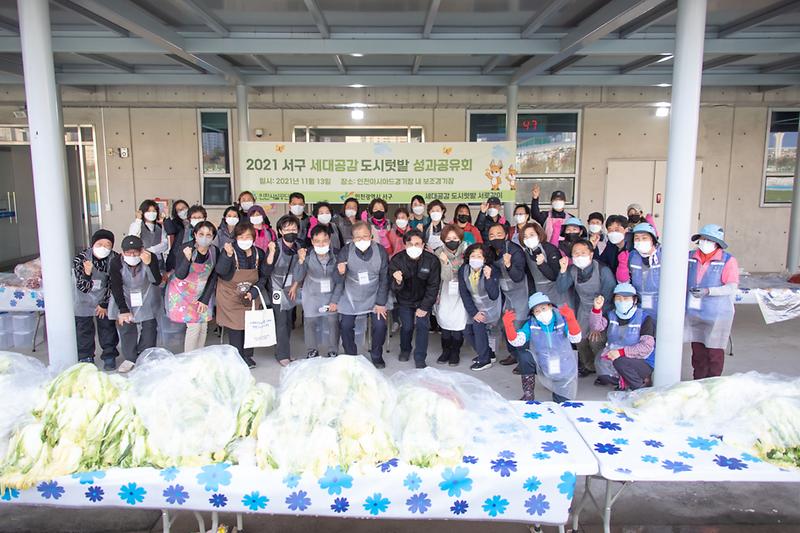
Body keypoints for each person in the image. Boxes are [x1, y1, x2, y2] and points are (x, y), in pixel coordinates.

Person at [504, 293, 581, 402]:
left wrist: (571, 320)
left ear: (550, 306)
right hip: (543, 363)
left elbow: (576, 339)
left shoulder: (562, 319)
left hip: (563, 366)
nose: (541, 313)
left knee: (562, 403)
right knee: (525, 357)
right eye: (537, 311)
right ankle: (528, 394)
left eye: (543, 308)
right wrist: (508, 326)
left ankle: (558, 386)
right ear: (533, 313)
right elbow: (517, 341)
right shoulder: (531, 324)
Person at [685, 224, 739, 379]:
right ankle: (698, 381)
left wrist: (709, 291)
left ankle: (713, 382)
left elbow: (731, 287)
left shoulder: (727, 260)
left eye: (708, 240)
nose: (704, 242)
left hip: (717, 314)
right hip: (695, 312)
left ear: (717, 243)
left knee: (714, 353)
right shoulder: (690, 257)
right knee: (698, 352)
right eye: (702, 239)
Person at [556, 239, 615, 377]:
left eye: (583, 252)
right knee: (579, 338)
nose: (579, 256)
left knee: (596, 340)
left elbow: (609, 296)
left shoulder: (603, 270)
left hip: (602, 311)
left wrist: (598, 322)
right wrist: (563, 271)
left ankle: (603, 370)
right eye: (576, 253)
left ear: (591, 254)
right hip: (583, 310)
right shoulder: (573, 270)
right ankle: (589, 365)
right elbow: (561, 288)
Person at [335, 221, 390, 368]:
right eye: (358, 237)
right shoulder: (345, 251)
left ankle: (376, 354)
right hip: (351, 295)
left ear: (371, 236)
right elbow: (338, 279)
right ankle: (351, 355)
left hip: (375, 294)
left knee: (380, 325)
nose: (362, 240)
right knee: (345, 325)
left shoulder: (381, 251)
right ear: (352, 239)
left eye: (365, 236)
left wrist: (380, 302)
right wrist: (340, 272)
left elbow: (385, 278)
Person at [215, 222, 269, 368]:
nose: (245, 240)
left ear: (253, 238)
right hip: (230, 295)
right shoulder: (229, 250)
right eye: (241, 237)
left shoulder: (259, 253)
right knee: (236, 327)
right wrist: (227, 256)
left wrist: (254, 291)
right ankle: (237, 357)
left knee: (250, 325)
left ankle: (247, 355)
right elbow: (220, 271)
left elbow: (263, 275)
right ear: (236, 237)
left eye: (248, 236)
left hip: (250, 294)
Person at [389, 229, 441, 368]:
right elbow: (393, 288)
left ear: (423, 244)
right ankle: (405, 349)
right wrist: (398, 281)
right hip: (405, 300)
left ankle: (420, 356)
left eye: (417, 244)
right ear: (405, 245)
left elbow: (433, 286)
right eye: (410, 244)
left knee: (423, 326)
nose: (414, 247)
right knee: (407, 326)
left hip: (423, 299)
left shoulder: (432, 260)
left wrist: (424, 307)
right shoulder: (397, 260)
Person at [107, 235, 161, 366]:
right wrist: (123, 309)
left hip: (146, 295)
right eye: (128, 252)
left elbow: (156, 281)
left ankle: (145, 356)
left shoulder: (151, 257)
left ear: (142, 250)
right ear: (122, 252)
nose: (132, 255)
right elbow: (116, 286)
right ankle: (130, 358)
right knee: (126, 326)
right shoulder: (116, 262)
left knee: (149, 326)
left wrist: (149, 264)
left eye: (135, 252)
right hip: (124, 295)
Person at [590, 283, 655, 391]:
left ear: (634, 300)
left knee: (620, 362)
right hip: (616, 354)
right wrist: (597, 309)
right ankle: (623, 380)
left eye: (626, 298)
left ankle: (639, 386)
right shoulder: (611, 315)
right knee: (601, 364)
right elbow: (596, 327)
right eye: (618, 298)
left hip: (641, 359)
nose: (622, 301)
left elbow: (646, 347)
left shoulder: (644, 318)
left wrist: (621, 352)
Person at [166, 220, 218, 353]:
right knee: (194, 327)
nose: (204, 238)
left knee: (203, 325)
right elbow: (180, 274)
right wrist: (187, 259)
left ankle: (198, 356)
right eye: (201, 234)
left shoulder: (214, 251)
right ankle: (189, 359)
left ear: (213, 237)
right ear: (195, 235)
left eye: (208, 235)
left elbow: (213, 276)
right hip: (183, 292)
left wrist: (204, 299)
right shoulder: (186, 248)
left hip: (202, 291)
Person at [73, 229, 119, 370]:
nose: (103, 247)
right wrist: (87, 274)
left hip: (104, 298)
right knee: (84, 329)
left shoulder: (115, 259)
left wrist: (104, 304)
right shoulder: (80, 259)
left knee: (107, 327)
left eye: (107, 245)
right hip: (84, 300)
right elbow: (82, 287)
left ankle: (109, 355)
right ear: (93, 244)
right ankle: (85, 356)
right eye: (99, 244)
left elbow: (114, 283)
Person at [487, 223, 529, 371]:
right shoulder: (491, 251)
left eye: (499, 234)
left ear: (506, 235)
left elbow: (518, 277)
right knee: (506, 325)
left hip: (520, 294)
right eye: (492, 235)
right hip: (506, 294)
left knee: (519, 326)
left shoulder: (515, 251)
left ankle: (525, 362)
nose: (495, 238)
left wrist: (509, 265)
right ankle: (514, 354)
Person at [298, 225, 343, 358]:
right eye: (317, 241)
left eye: (324, 241)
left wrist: (334, 300)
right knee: (310, 321)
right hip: (311, 293)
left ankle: (333, 350)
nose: (321, 244)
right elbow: (298, 277)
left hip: (331, 291)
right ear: (312, 241)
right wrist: (300, 261)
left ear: (330, 240)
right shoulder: (307, 255)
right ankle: (312, 350)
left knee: (333, 321)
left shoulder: (337, 255)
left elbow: (340, 281)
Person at [265, 215, 304, 366]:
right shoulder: (275, 247)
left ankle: (284, 351)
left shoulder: (299, 247)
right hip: (276, 289)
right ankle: (282, 355)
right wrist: (270, 253)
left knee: (288, 321)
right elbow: (266, 270)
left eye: (293, 229)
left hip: (291, 289)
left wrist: (295, 286)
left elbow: (301, 270)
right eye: (287, 229)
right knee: (281, 320)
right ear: (280, 231)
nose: (290, 232)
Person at [458, 243, 500, 371]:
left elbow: (494, 295)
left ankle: (484, 360)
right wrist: (474, 312)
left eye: (479, 256)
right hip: (474, 306)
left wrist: (488, 278)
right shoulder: (464, 270)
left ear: (485, 259)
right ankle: (488, 353)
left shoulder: (491, 270)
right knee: (467, 330)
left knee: (478, 327)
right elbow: (464, 293)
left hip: (490, 306)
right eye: (473, 256)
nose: (475, 259)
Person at [435, 225, 468, 366]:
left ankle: (455, 352)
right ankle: (445, 351)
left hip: (461, 292)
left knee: (458, 323)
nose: (452, 241)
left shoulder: (467, 252)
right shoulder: (438, 253)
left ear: (460, 239)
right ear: (443, 240)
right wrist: (445, 262)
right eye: (448, 238)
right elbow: (444, 276)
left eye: (455, 238)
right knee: (445, 322)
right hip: (445, 291)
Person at [622, 223, 661, 321]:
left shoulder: (663, 256)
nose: (640, 241)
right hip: (639, 307)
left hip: (660, 307)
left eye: (644, 238)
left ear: (652, 240)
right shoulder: (632, 256)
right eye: (637, 238)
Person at [519, 222, 565, 306]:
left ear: (539, 235)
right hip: (539, 293)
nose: (528, 238)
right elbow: (530, 277)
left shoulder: (550, 249)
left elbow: (555, 276)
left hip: (555, 292)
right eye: (525, 237)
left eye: (531, 235)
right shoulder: (527, 252)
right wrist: (532, 295)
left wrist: (542, 264)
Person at [128, 199, 169, 269]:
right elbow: (132, 238)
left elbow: (165, 244)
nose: (151, 213)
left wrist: (149, 250)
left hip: (158, 260)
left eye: (154, 211)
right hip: (141, 261)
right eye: (148, 211)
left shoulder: (160, 226)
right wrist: (138, 220)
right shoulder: (137, 224)